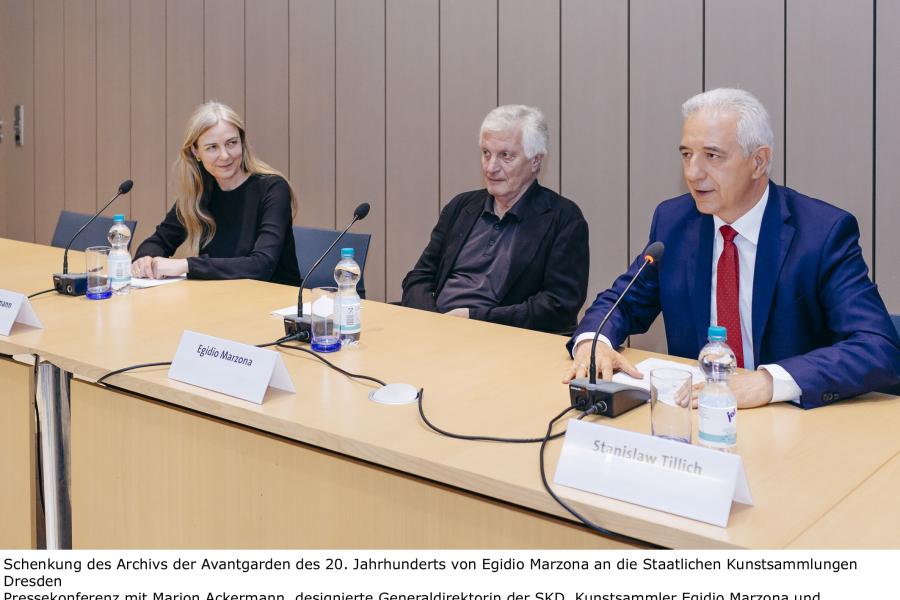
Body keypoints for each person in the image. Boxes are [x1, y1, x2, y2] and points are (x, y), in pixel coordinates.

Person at [564, 88, 900, 409]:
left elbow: (877, 346)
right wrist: (595, 342)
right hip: (695, 417)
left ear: (758, 162)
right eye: (686, 155)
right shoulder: (675, 222)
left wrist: (768, 383)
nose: (694, 173)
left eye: (712, 156)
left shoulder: (821, 233)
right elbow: (620, 303)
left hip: (794, 421)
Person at [401, 105, 589, 334]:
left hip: (502, 340)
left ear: (535, 161)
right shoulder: (461, 207)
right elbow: (419, 277)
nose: (491, 167)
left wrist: (474, 318)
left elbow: (558, 307)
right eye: (486, 153)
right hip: (438, 329)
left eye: (505, 156)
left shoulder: (563, 219)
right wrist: (434, 321)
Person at [132, 101, 300, 285]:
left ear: (242, 143)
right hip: (221, 297)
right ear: (196, 152)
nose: (225, 155)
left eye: (231, 143)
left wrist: (187, 265)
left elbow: (261, 265)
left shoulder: (273, 188)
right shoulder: (200, 191)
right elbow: (159, 241)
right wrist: (145, 260)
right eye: (212, 147)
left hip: (274, 303)